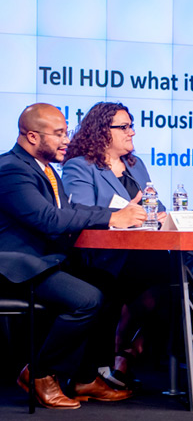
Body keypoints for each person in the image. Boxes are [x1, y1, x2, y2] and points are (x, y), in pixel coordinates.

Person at [0, 103, 146, 409]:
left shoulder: (46, 169)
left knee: (108, 283)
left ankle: (84, 377)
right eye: (58, 134)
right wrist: (111, 218)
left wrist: (113, 215)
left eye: (66, 132)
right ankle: (39, 373)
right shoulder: (11, 170)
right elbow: (48, 219)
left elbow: (71, 211)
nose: (66, 140)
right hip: (18, 266)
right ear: (31, 137)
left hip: (46, 262)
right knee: (87, 299)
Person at [62, 102, 170, 390]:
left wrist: (158, 215)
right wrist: (123, 214)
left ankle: (127, 345)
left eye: (131, 125)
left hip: (139, 252)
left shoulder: (136, 165)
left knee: (177, 273)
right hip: (100, 256)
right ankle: (109, 356)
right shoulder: (80, 166)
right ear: (101, 131)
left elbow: (153, 205)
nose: (131, 132)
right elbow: (81, 210)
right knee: (157, 269)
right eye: (124, 127)